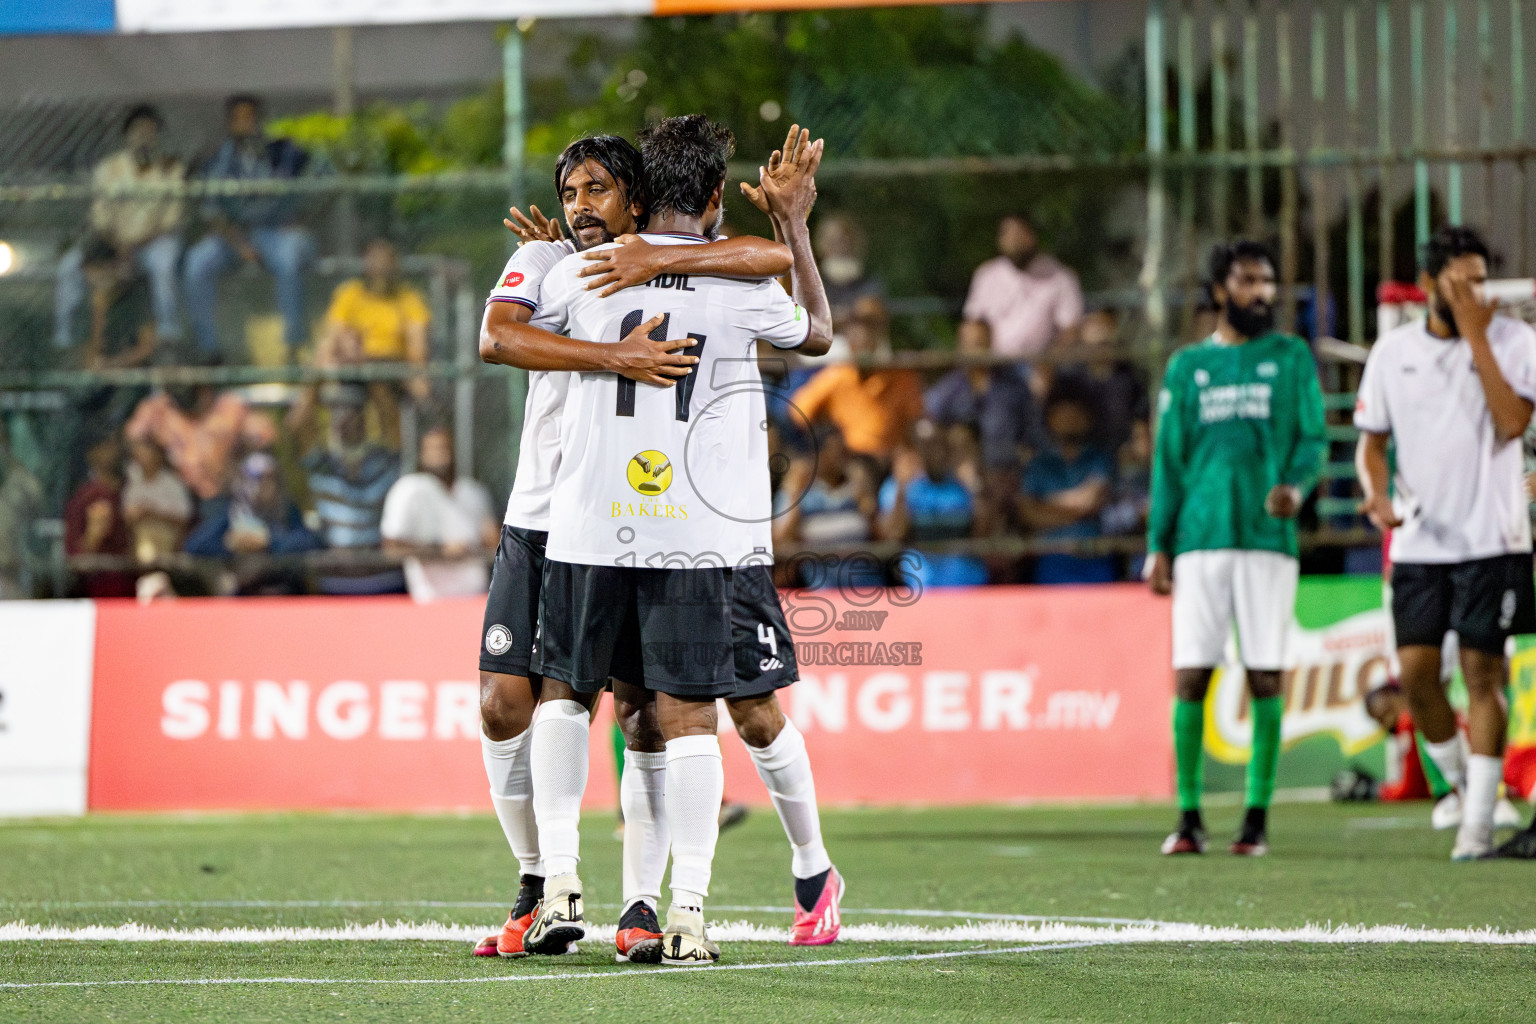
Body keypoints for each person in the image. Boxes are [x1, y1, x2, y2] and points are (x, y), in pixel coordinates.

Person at [471, 130, 825, 961]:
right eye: (572, 192)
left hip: (695, 530)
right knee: (570, 700)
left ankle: (670, 903)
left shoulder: (649, 267)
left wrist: (741, 242)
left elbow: (780, 291)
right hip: (577, 520)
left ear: (637, 198)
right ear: (711, 198)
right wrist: (617, 350)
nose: (582, 206)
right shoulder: (560, 265)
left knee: (690, 711)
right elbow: (807, 316)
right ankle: (553, 882)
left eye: (599, 190)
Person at [1355, 225, 1536, 860]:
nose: (1475, 291)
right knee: (1417, 676)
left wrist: (1479, 336)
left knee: (1484, 675)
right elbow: (1371, 443)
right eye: (1462, 281)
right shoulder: (1391, 354)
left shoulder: (1513, 342)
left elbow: (1514, 422)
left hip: (1493, 537)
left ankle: (1479, 828)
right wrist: (1376, 493)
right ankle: (1463, 786)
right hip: (1420, 541)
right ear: (1429, 285)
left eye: (1482, 280)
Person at [1147, 239, 1327, 858]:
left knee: (1265, 676)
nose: (1263, 293)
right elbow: (1169, 462)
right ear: (1221, 290)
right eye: (1250, 280)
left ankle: (1256, 819)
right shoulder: (1188, 367)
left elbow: (1313, 438)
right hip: (1199, 539)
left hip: (1266, 540)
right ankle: (1189, 817)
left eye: (1268, 281)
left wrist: (1296, 489)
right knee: (1192, 675)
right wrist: (1158, 544)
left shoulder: (1291, 356)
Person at [183, 94, 316, 362]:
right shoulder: (219, 157)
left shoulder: (282, 150)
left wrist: (301, 217)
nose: (246, 125)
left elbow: (323, 182)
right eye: (239, 119)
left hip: (275, 231)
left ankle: (293, 344)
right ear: (230, 124)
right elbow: (211, 212)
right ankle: (208, 349)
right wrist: (240, 244)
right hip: (234, 235)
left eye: (250, 118)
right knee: (196, 263)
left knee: (289, 258)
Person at [55, 104, 185, 352]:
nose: (144, 137)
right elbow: (100, 218)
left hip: (153, 242)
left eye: (150, 132)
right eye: (138, 131)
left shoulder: (170, 168)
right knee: (68, 267)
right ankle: (65, 335)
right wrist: (118, 247)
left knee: (163, 264)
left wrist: (136, 245)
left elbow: (171, 219)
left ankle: (169, 330)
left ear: (157, 136)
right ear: (127, 135)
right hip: (113, 242)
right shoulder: (109, 168)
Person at [306, 237, 432, 447]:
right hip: (354, 363)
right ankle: (312, 449)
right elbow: (333, 335)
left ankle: (397, 447)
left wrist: (416, 376)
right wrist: (329, 365)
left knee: (383, 384)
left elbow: (417, 348)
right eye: (374, 261)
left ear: (394, 266)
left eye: (384, 262)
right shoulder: (351, 294)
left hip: (393, 365)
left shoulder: (408, 299)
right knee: (314, 382)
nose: (379, 268)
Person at [790, 293, 924, 467]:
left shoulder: (901, 376)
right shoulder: (838, 374)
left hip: (889, 465)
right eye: (860, 323)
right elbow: (798, 413)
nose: (865, 332)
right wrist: (830, 435)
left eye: (872, 324)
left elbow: (917, 425)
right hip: (848, 465)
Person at [961, 211, 1084, 394]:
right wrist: (980, 372)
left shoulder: (1060, 277)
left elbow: (1071, 330)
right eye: (1006, 233)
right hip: (995, 367)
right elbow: (973, 324)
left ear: (1032, 236)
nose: (1013, 240)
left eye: (1018, 233)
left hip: (1040, 367)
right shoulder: (987, 275)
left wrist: (1048, 363)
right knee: (935, 402)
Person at [302, 384, 402, 595]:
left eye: (353, 410)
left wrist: (370, 375)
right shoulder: (321, 464)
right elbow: (298, 423)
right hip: (334, 582)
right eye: (337, 412)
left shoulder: (382, 461)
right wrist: (317, 375)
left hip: (383, 579)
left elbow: (392, 420)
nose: (345, 418)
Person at [380, 425, 497, 602]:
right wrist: (441, 551)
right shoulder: (409, 489)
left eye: (444, 448)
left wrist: (493, 539)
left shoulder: (473, 491)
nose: (439, 454)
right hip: (431, 600)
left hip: (476, 598)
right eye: (433, 449)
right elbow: (392, 547)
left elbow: (492, 541)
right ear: (421, 453)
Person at [1017, 381, 1117, 584]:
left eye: (1075, 414)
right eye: (1063, 415)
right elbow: (1027, 513)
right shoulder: (1039, 464)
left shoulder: (1100, 458)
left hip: (1095, 561)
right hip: (1052, 562)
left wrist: (1044, 505)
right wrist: (1079, 511)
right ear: (1050, 418)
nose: (1070, 421)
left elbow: (1092, 501)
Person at [184, 452, 321, 593]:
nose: (260, 485)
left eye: (267, 479)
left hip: (284, 590)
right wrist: (230, 543)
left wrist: (268, 540)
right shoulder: (232, 511)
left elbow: (310, 543)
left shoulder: (285, 509)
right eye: (253, 478)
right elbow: (194, 546)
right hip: (244, 592)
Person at [878, 419, 992, 588]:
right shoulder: (898, 487)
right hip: (922, 583)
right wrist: (902, 491)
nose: (933, 451)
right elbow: (893, 534)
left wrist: (974, 487)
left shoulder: (963, 484)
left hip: (966, 582)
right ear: (914, 449)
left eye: (937, 444)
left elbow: (982, 534)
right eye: (924, 445)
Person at [924, 319, 1042, 475]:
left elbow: (1033, 434)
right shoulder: (949, 389)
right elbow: (928, 425)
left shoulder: (1013, 387)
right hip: (959, 477)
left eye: (979, 343)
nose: (974, 351)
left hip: (1007, 472)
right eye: (968, 344)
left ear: (990, 343)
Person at [772, 425, 882, 589]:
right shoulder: (799, 491)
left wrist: (865, 499)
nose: (842, 456)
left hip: (867, 589)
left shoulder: (859, 488)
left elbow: (884, 538)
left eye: (843, 449)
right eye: (834, 450)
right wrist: (794, 495)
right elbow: (782, 541)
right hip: (818, 591)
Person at [125, 385, 277, 503]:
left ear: (204, 389)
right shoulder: (159, 411)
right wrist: (164, 464)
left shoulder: (228, 407)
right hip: (180, 493)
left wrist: (236, 456)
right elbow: (132, 438)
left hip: (227, 491)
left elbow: (263, 437)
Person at [63, 434, 135, 598]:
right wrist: (94, 533)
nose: (115, 450)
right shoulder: (84, 498)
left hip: (132, 590)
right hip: (100, 594)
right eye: (107, 445)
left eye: (114, 443)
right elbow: (74, 558)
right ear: (92, 454)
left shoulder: (132, 490)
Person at [121, 436, 194, 564]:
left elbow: (185, 518)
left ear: (158, 455)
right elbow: (126, 518)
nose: (141, 456)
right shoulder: (133, 486)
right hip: (139, 543)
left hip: (168, 542)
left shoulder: (173, 483)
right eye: (138, 452)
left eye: (146, 452)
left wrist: (151, 513)